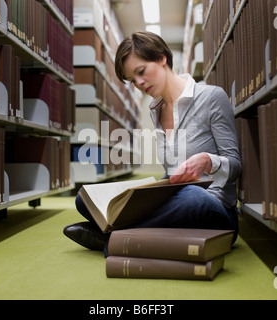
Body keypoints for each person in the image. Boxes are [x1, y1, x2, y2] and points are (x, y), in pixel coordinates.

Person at [64, 31, 241, 253]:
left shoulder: (212, 97)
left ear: (161, 57)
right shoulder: (155, 112)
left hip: (215, 209)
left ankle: (113, 238)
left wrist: (208, 161)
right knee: (85, 198)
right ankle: (135, 234)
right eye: (131, 80)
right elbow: (171, 176)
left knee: (194, 197)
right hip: (178, 202)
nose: (138, 83)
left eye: (141, 71)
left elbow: (235, 165)